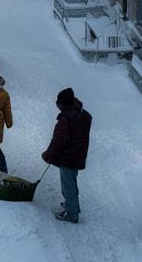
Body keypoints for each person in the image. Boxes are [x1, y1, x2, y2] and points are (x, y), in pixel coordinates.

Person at [41, 87, 92, 223]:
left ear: (64, 104)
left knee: (67, 185)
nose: (57, 106)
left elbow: (58, 141)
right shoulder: (81, 114)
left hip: (68, 157)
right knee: (72, 181)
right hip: (77, 155)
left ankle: (72, 213)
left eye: (58, 103)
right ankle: (73, 205)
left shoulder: (66, 119)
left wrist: (48, 155)